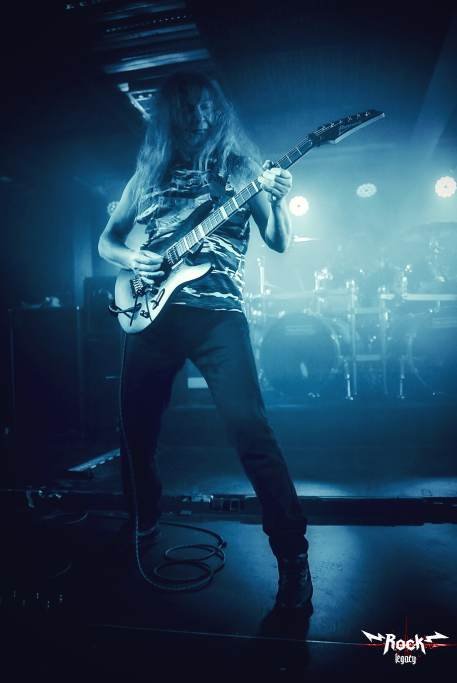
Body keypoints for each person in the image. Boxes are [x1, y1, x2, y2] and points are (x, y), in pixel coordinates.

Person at [98, 71, 312, 610]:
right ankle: (143, 525)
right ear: (170, 114)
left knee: (252, 431)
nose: (198, 116)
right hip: (151, 316)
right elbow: (108, 241)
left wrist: (279, 201)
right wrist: (133, 258)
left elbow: (278, 242)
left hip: (219, 317)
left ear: (218, 112)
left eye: (205, 106)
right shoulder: (147, 174)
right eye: (187, 107)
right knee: (135, 434)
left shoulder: (240, 170)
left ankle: (293, 557)